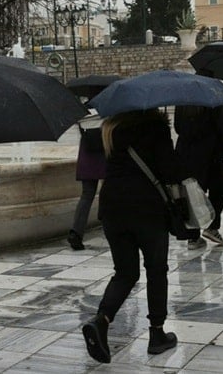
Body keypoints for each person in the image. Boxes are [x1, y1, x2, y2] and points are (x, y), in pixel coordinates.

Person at [82, 109, 182, 363]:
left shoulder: (111, 129)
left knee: (125, 273)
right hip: (147, 209)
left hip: (112, 208)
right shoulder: (156, 128)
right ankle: (157, 334)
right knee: (156, 269)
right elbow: (170, 170)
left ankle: (101, 320)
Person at [174, 105, 223, 249]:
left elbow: (178, 127)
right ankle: (212, 227)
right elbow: (221, 126)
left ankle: (193, 236)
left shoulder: (182, 102)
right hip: (210, 152)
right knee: (221, 187)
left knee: (191, 193)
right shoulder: (211, 102)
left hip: (186, 152)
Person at [68, 116, 105, 251]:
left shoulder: (81, 111)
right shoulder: (106, 107)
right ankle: (108, 226)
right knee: (107, 191)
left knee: (86, 195)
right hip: (105, 150)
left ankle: (76, 232)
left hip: (87, 152)